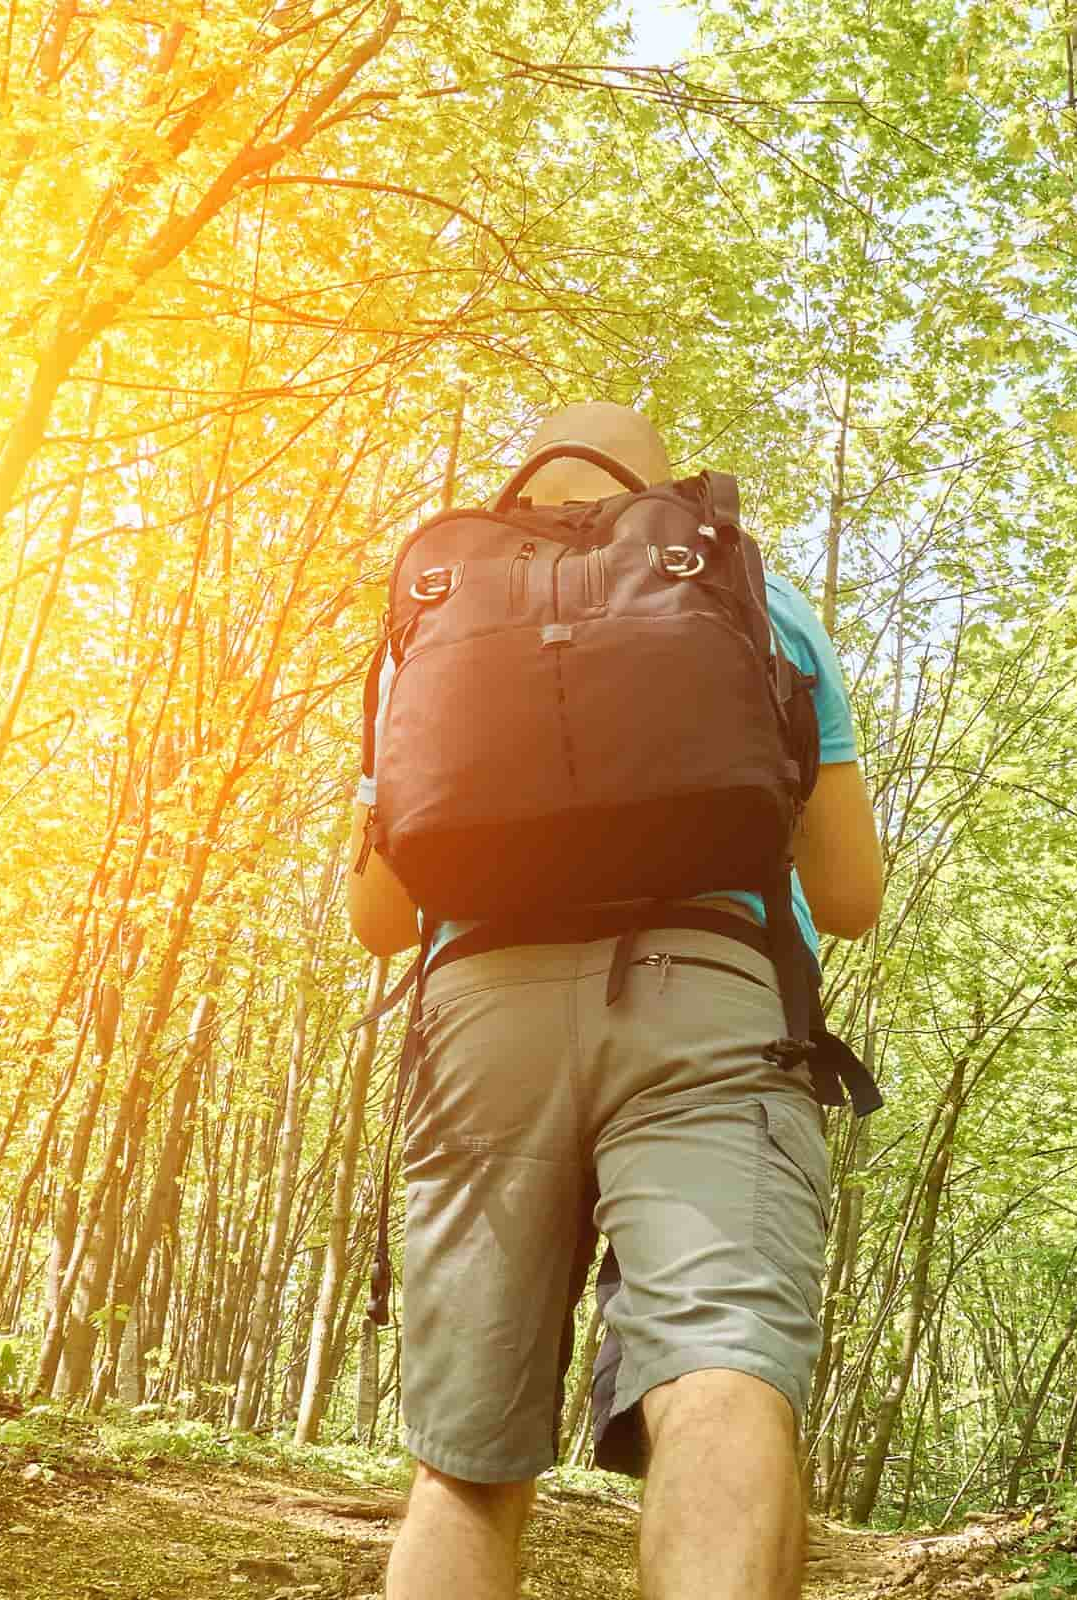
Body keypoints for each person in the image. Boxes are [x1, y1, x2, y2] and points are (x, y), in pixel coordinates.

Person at [347, 401, 885, 1600]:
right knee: (719, 1373)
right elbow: (848, 895)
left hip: (480, 1020)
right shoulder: (756, 596)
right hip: (705, 995)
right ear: (665, 495)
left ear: (515, 501)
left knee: (466, 1465)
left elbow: (382, 918)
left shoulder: (424, 628)